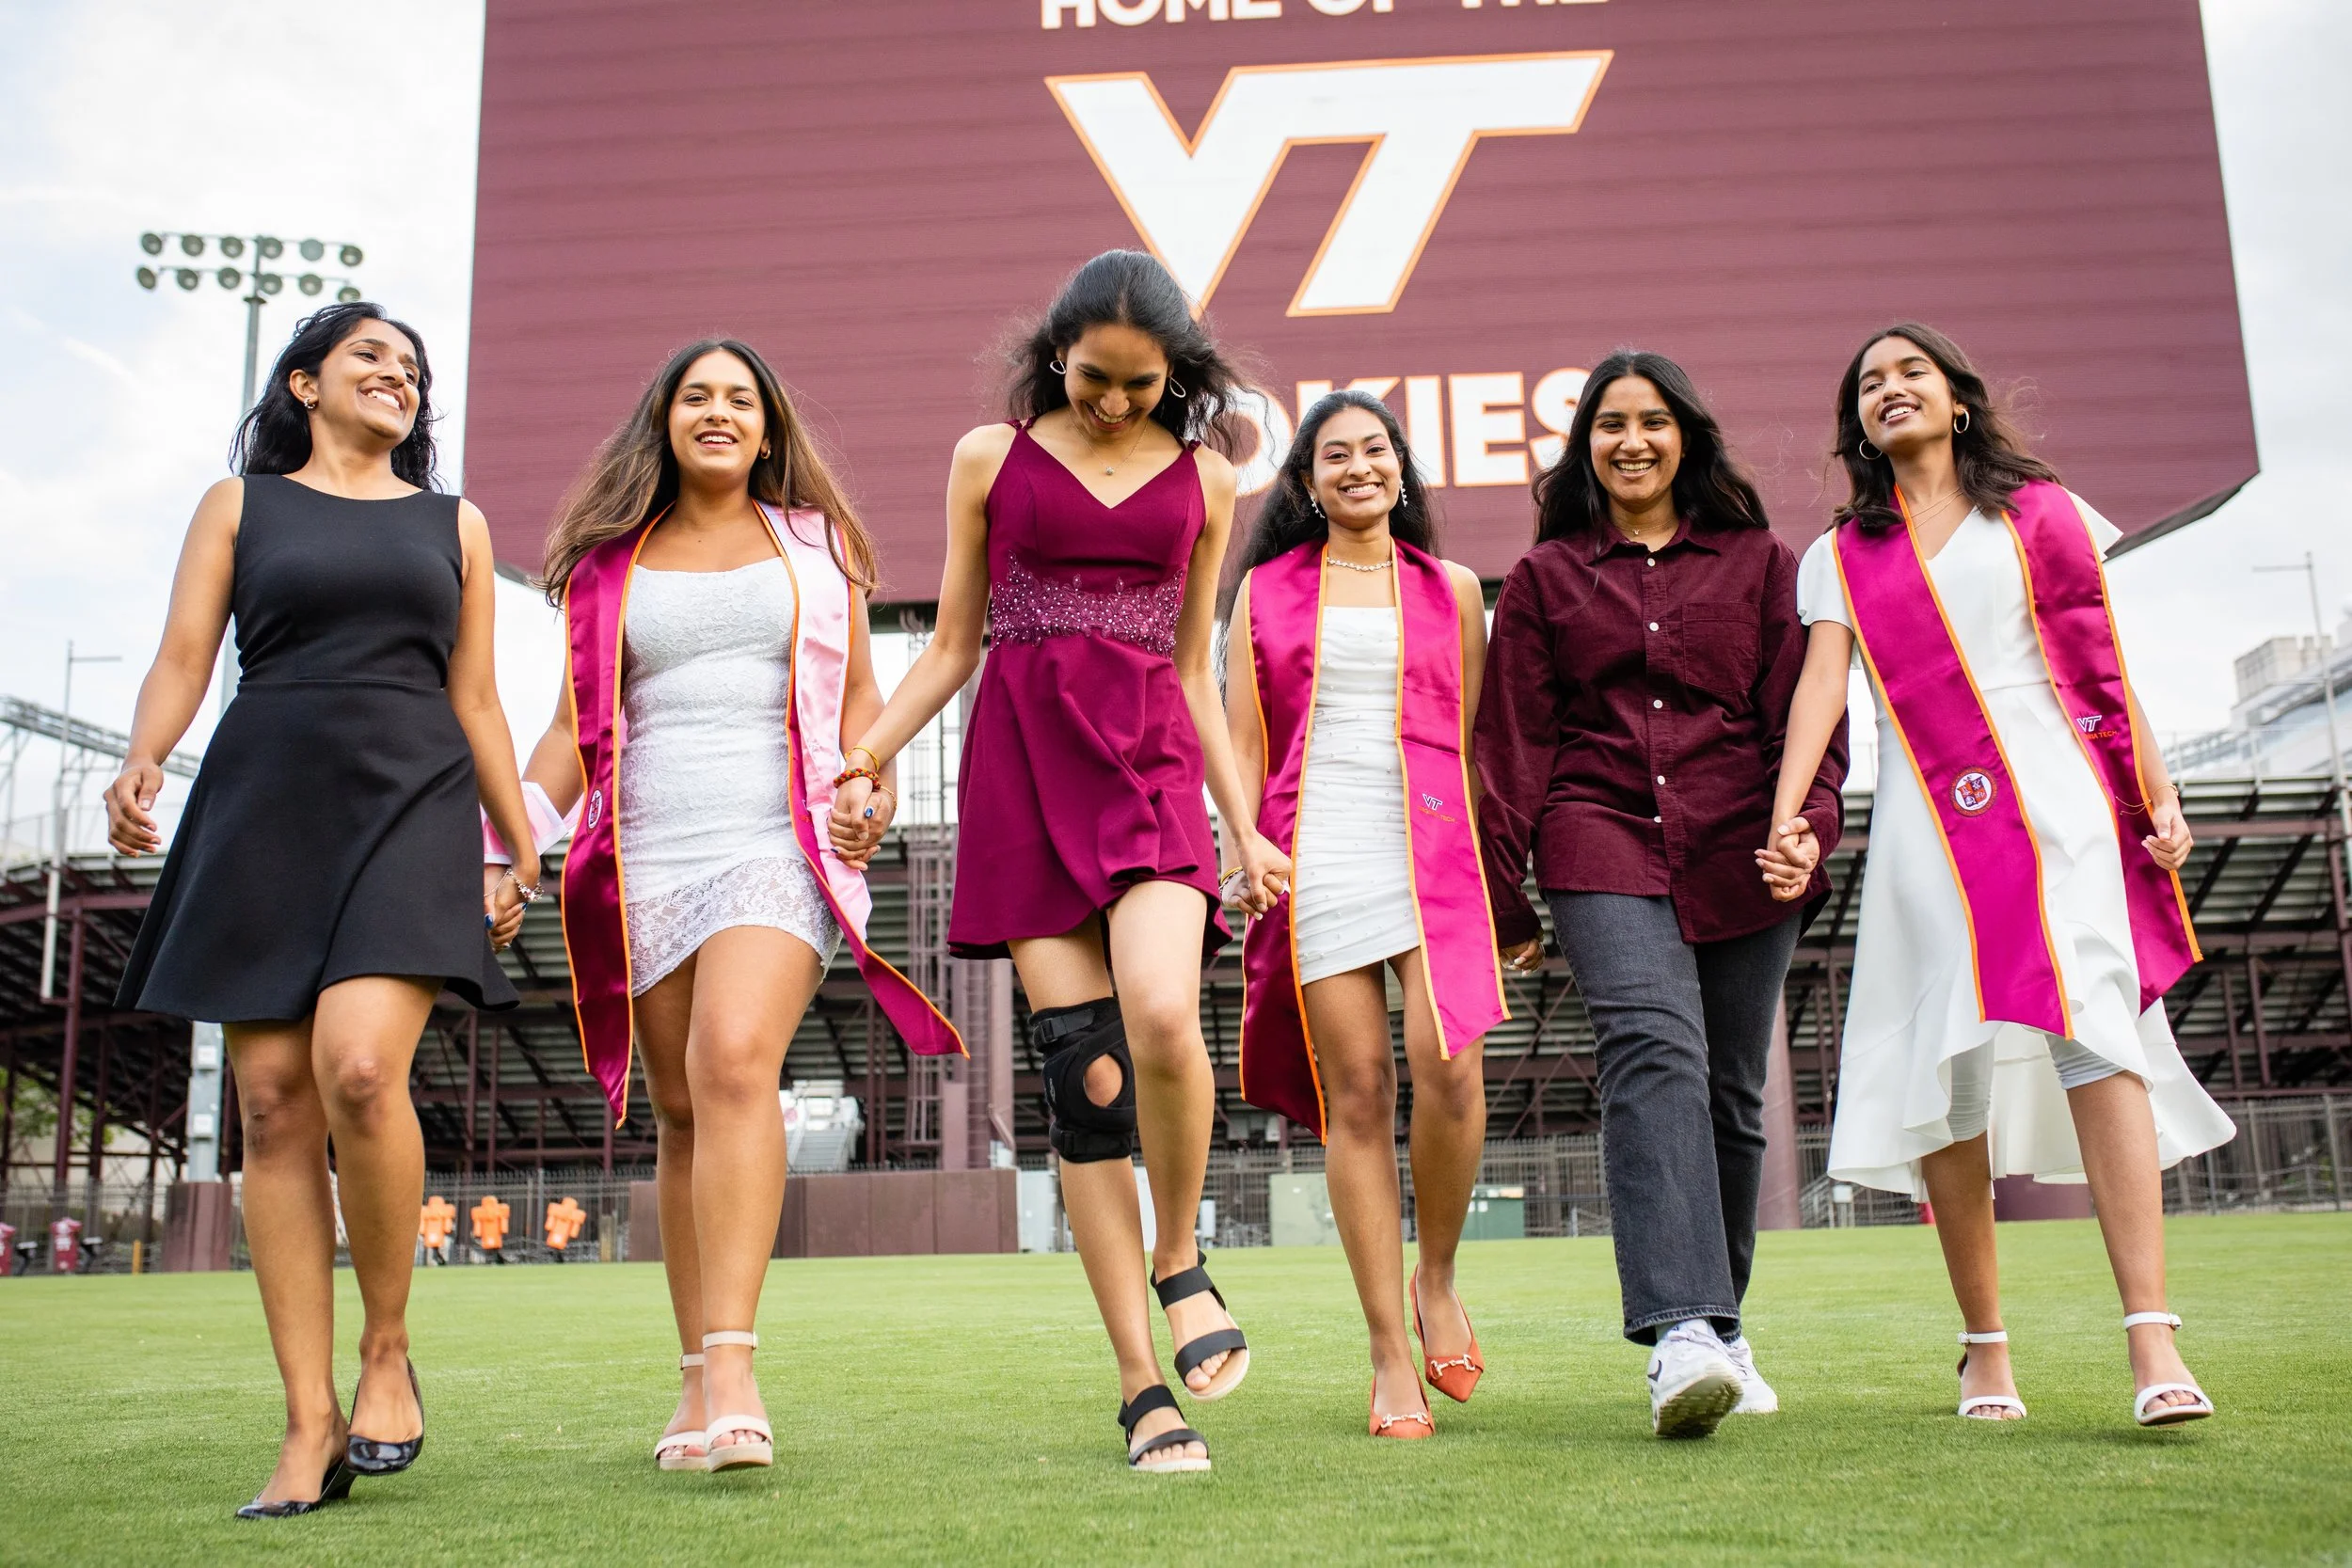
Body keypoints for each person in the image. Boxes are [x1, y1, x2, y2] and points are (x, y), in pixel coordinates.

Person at [829, 250, 1285, 1474]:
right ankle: (1143, 1384)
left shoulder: (1210, 477)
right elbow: (954, 641)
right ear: (1055, 354)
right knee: (1085, 1077)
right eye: (1094, 377)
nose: (1115, 403)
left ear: (1176, 376)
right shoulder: (990, 457)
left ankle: (1179, 1249)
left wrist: (1245, 825)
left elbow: (1198, 663)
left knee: (1163, 1017)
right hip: (1023, 768)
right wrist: (865, 753)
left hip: (1145, 761)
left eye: (1142, 385)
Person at [104, 303, 535, 1516]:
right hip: (265, 797)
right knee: (274, 1101)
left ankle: (386, 1345)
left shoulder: (454, 522)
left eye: (412, 370)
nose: (397, 377)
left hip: (414, 794)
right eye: (370, 358)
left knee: (356, 1068)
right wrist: (145, 755)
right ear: (303, 381)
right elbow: (188, 653)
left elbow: (482, 699)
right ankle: (308, 1424)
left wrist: (519, 845)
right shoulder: (237, 506)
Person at [1764, 322, 2234, 1427]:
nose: (1891, 390)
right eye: (1869, 383)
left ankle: (2151, 1335)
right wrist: (1789, 816)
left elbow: (2108, 666)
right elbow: (1821, 691)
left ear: (1957, 398)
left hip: (2061, 800)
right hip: (1931, 820)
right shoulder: (1841, 554)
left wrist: (2155, 796)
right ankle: (1983, 1346)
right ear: (1857, 423)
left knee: (2095, 1031)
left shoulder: (2044, 514)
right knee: (1950, 1062)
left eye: (1909, 373)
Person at [507, 340, 961, 1474]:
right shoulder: (608, 565)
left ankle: (738, 1361)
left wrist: (870, 790)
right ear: (662, 422)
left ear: (768, 427)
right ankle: (692, 1378)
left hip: (776, 843)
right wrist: (502, 848)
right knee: (679, 1113)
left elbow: (861, 712)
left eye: (739, 398)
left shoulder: (817, 546)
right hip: (644, 851)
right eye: (696, 396)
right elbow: (568, 735)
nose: (718, 412)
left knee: (734, 1058)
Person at [1477, 349, 1844, 1439]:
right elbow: (1511, 746)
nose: (1629, 440)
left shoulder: (1764, 562)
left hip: (1743, 842)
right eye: (1607, 424)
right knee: (1650, 1050)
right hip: (1596, 837)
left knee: (1730, 1091)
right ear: (1583, 444)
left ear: (1686, 434)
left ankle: (1723, 1326)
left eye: (1650, 421)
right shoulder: (1546, 579)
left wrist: (1805, 830)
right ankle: (1679, 1329)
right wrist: (1508, 900)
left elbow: (1808, 721)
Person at [1223, 391, 1500, 1439]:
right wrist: (1242, 843)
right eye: (1334, 454)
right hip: (1315, 847)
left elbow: (1469, 740)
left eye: (1374, 450)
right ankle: (1389, 1348)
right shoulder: (1260, 594)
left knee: (1451, 1062)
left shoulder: (1454, 589)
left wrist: (1494, 883)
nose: (1357, 467)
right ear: (1305, 481)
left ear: (1399, 469)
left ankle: (1437, 1276)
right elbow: (1246, 742)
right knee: (1358, 1090)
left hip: (1428, 848)